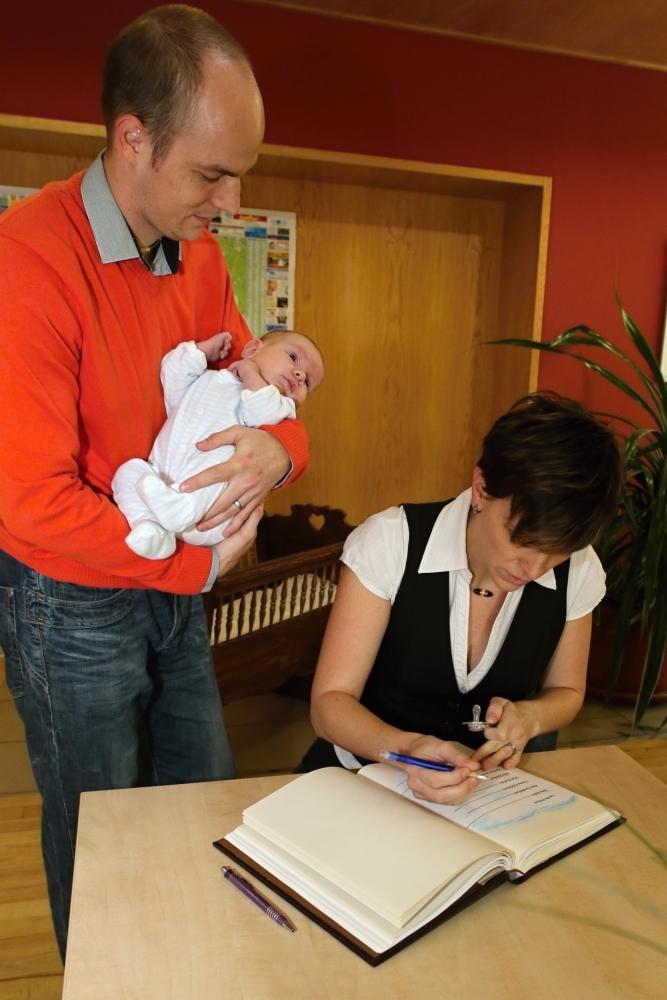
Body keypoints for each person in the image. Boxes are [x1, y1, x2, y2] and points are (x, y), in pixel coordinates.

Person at [0, 5, 310, 958]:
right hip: (71, 600)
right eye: (212, 173)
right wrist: (193, 567)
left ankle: (185, 970)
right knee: (101, 829)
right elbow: (29, 502)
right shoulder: (27, 261)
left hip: (173, 581)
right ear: (133, 138)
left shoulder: (199, 251)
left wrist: (284, 451)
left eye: (241, 174)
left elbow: (256, 382)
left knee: (199, 800)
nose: (231, 200)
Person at [299, 393, 622, 806]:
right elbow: (328, 705)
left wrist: (531, 716)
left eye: (558, 551)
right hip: (361, 777)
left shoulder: (580, 569)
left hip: (486, 798)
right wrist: (407, 748)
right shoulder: (391, 542)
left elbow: (567, 690)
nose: (535, 567)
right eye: (521, 539)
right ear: (481, 488)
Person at [112, 329, 324, 558]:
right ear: (253, 349)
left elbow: (264, 411)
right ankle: (149, 527)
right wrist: (202, 351)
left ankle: (181, 510)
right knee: (128, 473)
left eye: (307, 382)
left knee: (226, 465)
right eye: (293, 357)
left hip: (209, 514)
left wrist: (251, 373)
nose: (300, 375)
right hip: (161, 479)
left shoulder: (281, 407)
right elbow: (172, 374)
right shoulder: (207, 379)